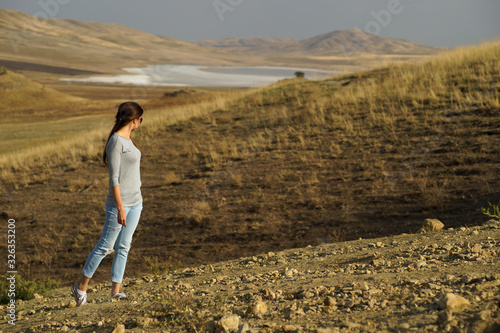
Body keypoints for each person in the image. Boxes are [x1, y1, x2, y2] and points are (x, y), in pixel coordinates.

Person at [71, 101, 144, 306]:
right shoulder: (116, 142)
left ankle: (115, 292)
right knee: (105, 246)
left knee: (124, 246)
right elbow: (114, 180)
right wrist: (120, 208)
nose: (140, 123)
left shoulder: (129, 140)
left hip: (136, 203)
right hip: (119, 205)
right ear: (133, 120)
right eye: (140, 119)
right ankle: (80, 288)